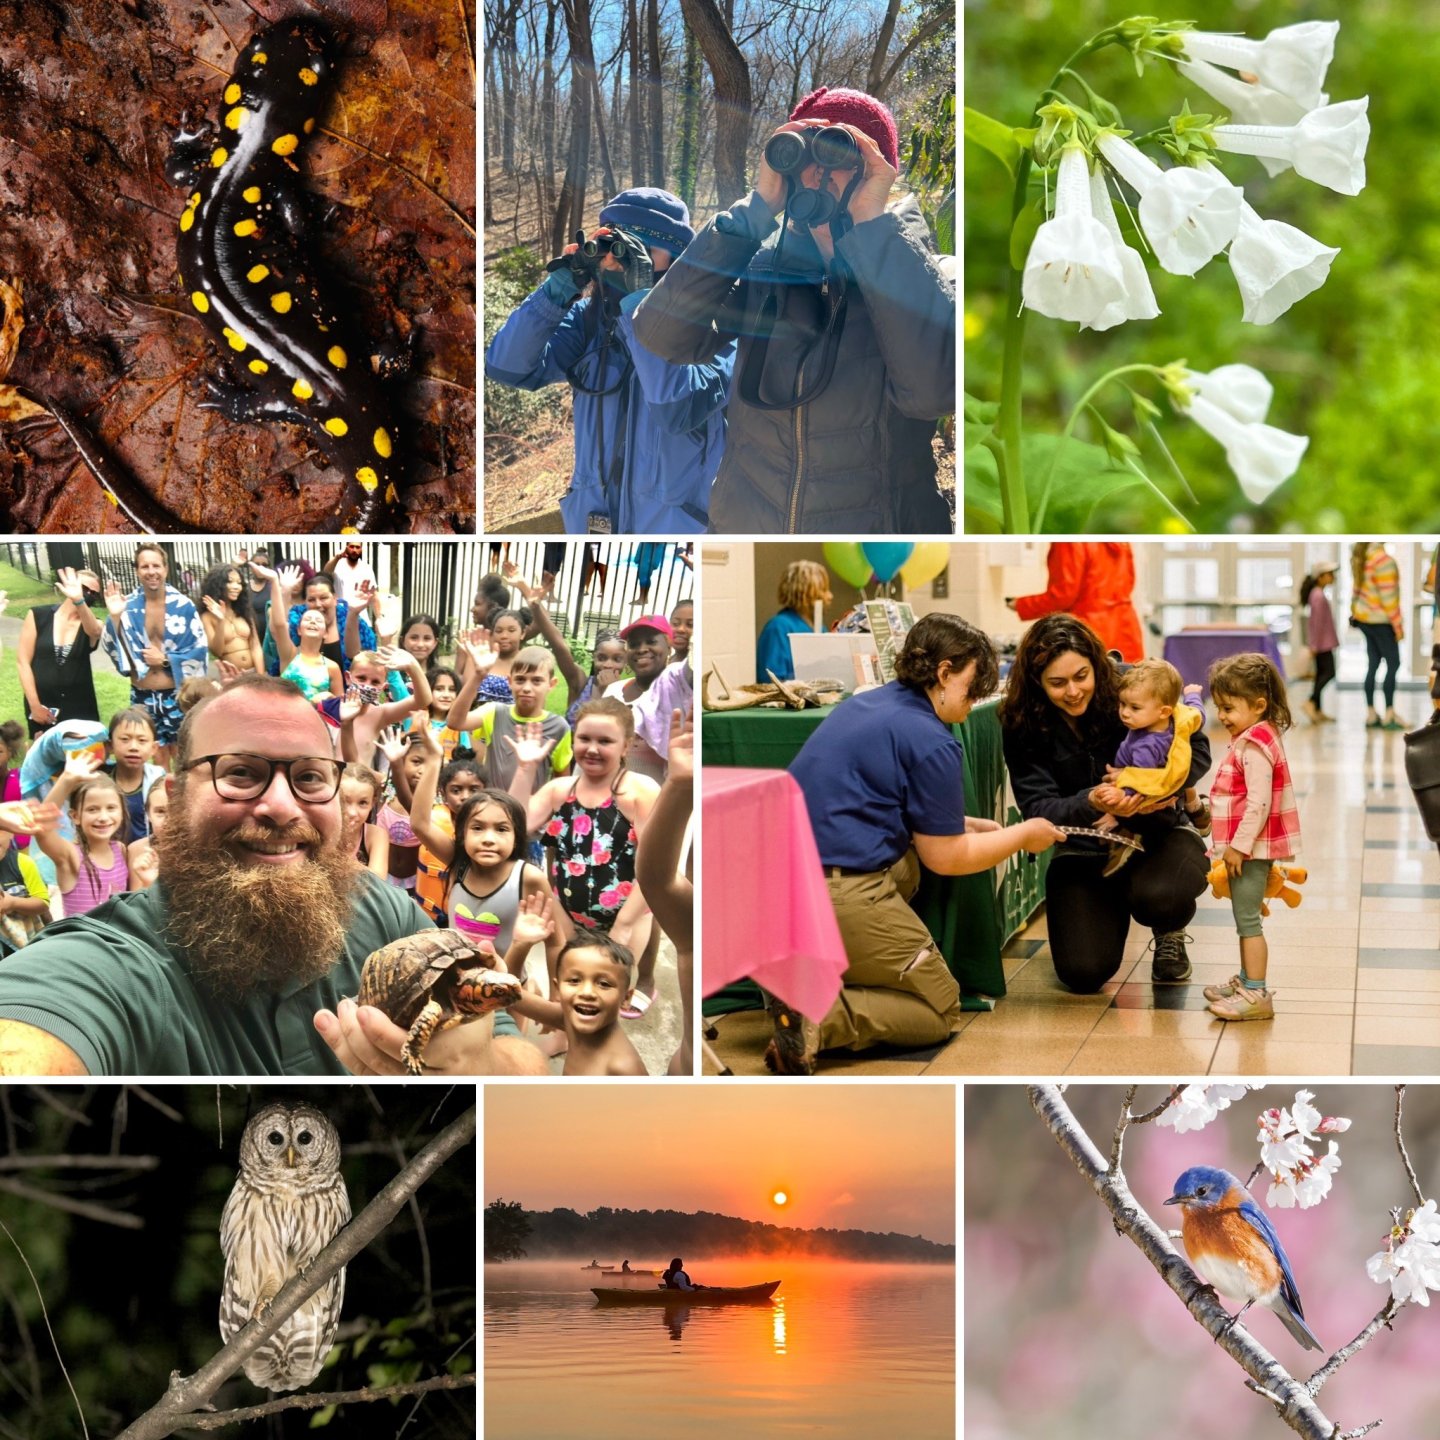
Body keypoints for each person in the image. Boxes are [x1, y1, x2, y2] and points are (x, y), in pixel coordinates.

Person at [0, 675, 547, 1076]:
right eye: (240, 772)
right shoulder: (111, 964)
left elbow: (525, 1065)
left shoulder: (384, 912)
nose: (282, 807)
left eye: (311, 777)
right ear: (175, 797)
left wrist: (478, 1069)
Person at [633, 87, 955, 533]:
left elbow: (934, 394)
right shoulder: (761, 271)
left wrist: (873, 229)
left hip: (870, 545)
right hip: (748, 530)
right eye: (803, 152)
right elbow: (662, 336)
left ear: (878, 170)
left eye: (841, 151)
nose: (818, 173)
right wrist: (755, 211)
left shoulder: (933, 275)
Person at [774, 614, 1064, 1074]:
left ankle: (810, 967)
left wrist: (958, 821)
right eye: (973, 687)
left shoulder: (865, 704)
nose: (975, 703)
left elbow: (866, 798)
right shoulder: (932, 739)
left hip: (776, 886)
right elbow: (946, 858)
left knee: (908, 866)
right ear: (944, 672)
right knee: (939, 1009)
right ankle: (818, 1016)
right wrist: (1021, 835)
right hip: (836, 888)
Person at [486, 187, 734, 534]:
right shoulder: (591, 324)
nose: (622, 261)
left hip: (672, 538)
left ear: (677, 260)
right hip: (592, 529)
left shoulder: (715, 328)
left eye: (642, 251)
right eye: (616, 247)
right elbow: (506, 366)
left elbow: (676, 406)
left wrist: (643, 307)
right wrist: (556, 293)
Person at [999, 614, 1213, 993]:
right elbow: (1038, 808)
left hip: (1157, 833)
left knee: (1161, 896)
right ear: (1036, 683)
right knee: (1083, 972)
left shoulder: (1133, 684)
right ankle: (1110, 902)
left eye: (1081, 676)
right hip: (1083, 849)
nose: (1073, 691)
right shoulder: (1023, 723)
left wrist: (1155, 792)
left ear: (1096, 665)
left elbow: (1195, 745)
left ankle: (1169, 929)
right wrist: (1095, 801)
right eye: (1057, 683)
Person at [506, 698, 659, 1000]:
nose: (592, 748)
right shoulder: (559, 791)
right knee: (572, 989)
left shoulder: (640, 792)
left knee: (609, 991)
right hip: (567, 914)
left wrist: (625, 926)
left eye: (605, 741)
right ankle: (566, 1037)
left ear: (626, 746)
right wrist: (525, 769)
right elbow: (511, 826)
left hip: (628, 916)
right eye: (585, 738)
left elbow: (655, 870)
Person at [1201, 655, 1300, 1023]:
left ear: (1258, 704)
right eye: (1219, 707)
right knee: (1245, 919)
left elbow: (1258, 802)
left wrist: (1238, 847)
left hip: (1251, 849)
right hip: (1249, 847)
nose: (1222, 715)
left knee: (1247, 922)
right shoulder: (1255, 734)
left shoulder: (1255, 745)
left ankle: (1256, 992)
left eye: (1229, 707)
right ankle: (1246, 980)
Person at [1095, 659, 1208, 875]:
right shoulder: (1180, 717)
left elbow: (1140, 782)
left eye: (1134, 707)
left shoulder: (1147, 748)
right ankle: (1196, 807)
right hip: (1171, 774)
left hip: (1146, 787)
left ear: (1164, 711)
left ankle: (1124, 836)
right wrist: (1193, 694)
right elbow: (1198, 714)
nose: (1125, 713)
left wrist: (1117, 802)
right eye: (1122, 704)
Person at [101, 545, 208, 765]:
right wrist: (115, 618)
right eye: (145, 566)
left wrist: (166, 660)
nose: (151, 571)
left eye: (156, 565)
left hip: (177, 694)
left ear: (166, 569)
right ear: (137, 571)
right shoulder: (126, 606)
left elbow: (199, 649)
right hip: (142, 694)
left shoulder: (183, 606)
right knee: (154, 755)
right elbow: (115, 649)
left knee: (184, 757)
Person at [506, 917, 648, 1075]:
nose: (587, 992)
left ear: (626, 998)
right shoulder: (567, 1019)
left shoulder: (624, 1068)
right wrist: (520, 945)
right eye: (574, 981)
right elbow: (507, 994)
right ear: (558, 988)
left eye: (604, 984)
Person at [447, 643, 572, 791]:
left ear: (551, 684)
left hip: (530, 810)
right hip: (491, 805)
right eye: (520, 680)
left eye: (537, 681)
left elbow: (562, 780)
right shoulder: (495, 711)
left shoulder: (559, 726)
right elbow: (455, 722)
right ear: (510, 681)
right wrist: (478, 676)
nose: (526, 688)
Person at [1005, 542, 1144, 661]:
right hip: (1126, 629)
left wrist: (1022, 604)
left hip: (1090, 630)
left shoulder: (1069, 541)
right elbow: (1131, 581)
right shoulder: (1119, 538)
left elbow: (1063, 595)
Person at [16, 566, 103, 736]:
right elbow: (23, 662)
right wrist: (34, 705)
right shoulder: (37, 616)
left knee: (80, 756)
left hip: (79, 707)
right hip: (43, 704)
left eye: (94, 593)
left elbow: (95, 632)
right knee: (44, 755)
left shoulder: (93, 623)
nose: (88, 594)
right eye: (84, 588)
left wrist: (79, 601)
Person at [604, 616, 674, 781]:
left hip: (658, 800)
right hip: (611, 795)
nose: (642, 649)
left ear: (669, 647)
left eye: (651, 642)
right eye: (634, 644)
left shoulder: (676, 696)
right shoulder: (614, 690)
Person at [1350, 542, 1406, 730]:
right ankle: (1389, 713)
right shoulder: (1383, 560)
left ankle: (1371, 714)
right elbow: (1388, 598)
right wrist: (1398, 626)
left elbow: (1355, 592)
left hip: (1365, 619)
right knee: (1394, 663)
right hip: (1381, 620)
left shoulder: (1363, 558)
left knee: (1373, 665)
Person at [756, 560, 831, 681]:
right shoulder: (778, 628)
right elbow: (772, 681)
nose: (829, 596)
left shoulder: (820, 628)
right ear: (804, 593)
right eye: (823, 590)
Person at [106, 707, 167, 843]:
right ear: (110, 745)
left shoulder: (158, 780)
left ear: (154, 748)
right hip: (111, 857)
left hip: (147, 855)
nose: (133, 747)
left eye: (142, 740)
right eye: (125, 739)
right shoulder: (100, 779)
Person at [198, 563, 264, 674]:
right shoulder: (207, 617)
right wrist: (220, 620)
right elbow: (217, 651)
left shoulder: (245, 612)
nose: (236, 587)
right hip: (230, 676)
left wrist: (261, 676)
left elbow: (256, 646)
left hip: (253, 673)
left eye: (239, 583)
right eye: (230, 582)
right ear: (217, 585)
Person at [1300, 562, 1339, 725]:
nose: (1332, 577)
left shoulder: (1318, 594)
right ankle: (1310, 701)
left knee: (1320, 674)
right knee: (1329, 672)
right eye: (1329, 574)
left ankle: (1317, 709)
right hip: (1322, 644)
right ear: (1320, 577)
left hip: (1323, 642)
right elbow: (1316, 623)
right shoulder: (1318, 596)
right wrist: (1314, 645)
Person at [339, 763, 390, 880]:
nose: (352, 813)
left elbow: (378, 883)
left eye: (362, 803)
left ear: (372, 803)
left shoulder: (375, 835)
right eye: (344, 801)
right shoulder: (322, 831)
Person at [323, 542, 378, 610]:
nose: (354, 550)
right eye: (351, 547)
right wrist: (336, 558)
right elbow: (326, 573)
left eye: (357, 547)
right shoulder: (337, 564)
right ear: (346, 547)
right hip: (340, 613)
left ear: (361, 549)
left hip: (360, 614)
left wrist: (379, 617)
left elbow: (374, 594)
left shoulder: (367, 568)